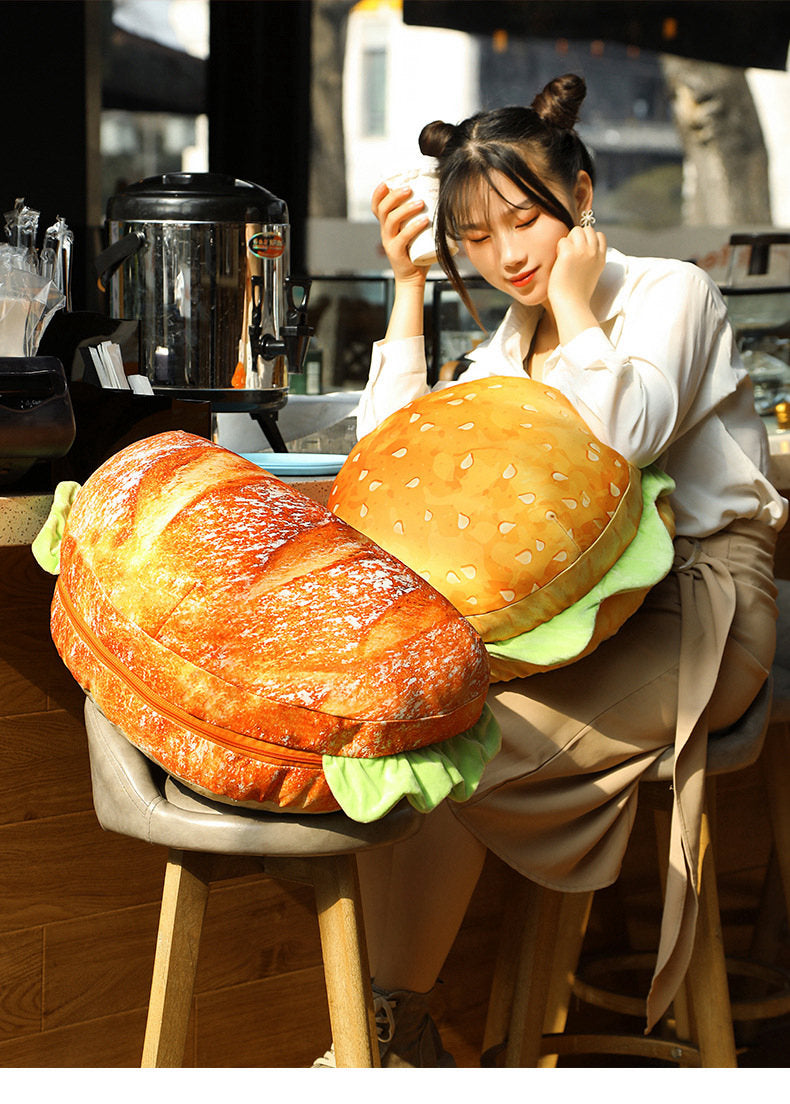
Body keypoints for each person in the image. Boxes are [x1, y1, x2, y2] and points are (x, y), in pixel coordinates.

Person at [315, 73, 787, 1068]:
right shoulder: (505, 342)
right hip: (578, 615)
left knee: (455, 751)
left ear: (578, 194)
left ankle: (390, 1036)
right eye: (474, 238)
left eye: (521, 220)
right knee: (431, 730)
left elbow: (624, 434)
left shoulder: (671, 292)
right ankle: (393, 1030)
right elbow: (393, 468)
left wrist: (575, 308)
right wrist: (406, 291)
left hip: (703, 605)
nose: (502, 256)